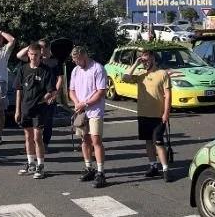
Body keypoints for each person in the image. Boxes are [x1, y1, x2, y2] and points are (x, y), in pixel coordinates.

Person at [120, 49, 175, 180]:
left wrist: (166, 113)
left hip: (158, 115)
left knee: (158, 142)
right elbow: (125, 78)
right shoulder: (140, 74)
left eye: (147, 60)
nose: (145, 63)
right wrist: (136, 63)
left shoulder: (162, 74)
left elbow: (168, 95)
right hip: (143, 114)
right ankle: (153, 166)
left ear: (153, 59)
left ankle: (165, 169)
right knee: (148, 141)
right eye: (143, 60)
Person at [10, 39, 61, 179]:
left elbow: (51, 91)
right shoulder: (23, 69)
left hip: (40, 110)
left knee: (38, 137)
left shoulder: (46, 70)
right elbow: (19, 90)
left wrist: (43, 100)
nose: (33, 57)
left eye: (36, 55)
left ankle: (40, 165)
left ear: (40, 55)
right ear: (28, 54)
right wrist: (17, 110)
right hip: (25, 108)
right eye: (31, 54)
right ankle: (30, 163)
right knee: (28, 136)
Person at [68, 46, 112, 187]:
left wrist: (85, 103)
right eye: (74, 60)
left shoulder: (98, 69)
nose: (75, 62)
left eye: (77, 59)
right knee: (84, 139)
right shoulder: (76, 70)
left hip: (95, 111)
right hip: (81, 111)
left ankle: (101, 172)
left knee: (96, 140)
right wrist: (77, 102)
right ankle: (89, 167)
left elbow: (101, 92)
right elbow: (71, 90)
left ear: (84, 56)